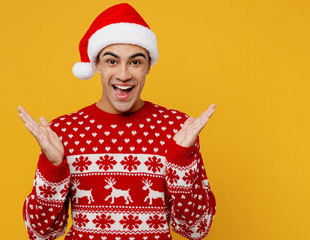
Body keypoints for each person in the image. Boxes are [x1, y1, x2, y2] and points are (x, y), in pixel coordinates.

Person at [18, 3, 216, 240]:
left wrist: (180, 159)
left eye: (135, 62)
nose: (123, 74)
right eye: (112, 61)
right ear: (97, 65)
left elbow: (196, 229)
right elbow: (40, 233)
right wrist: (53, 166)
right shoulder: (64, 131)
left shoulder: (177, 129)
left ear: (148, 66)